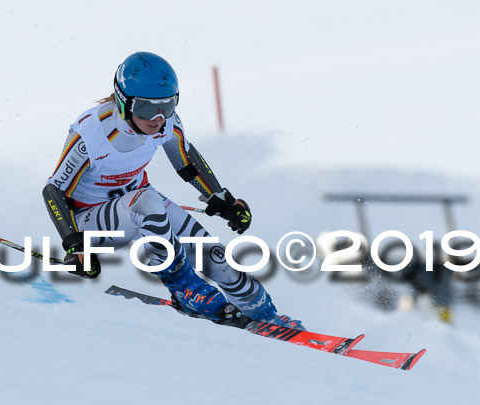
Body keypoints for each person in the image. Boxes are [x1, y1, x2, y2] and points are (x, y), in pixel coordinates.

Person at [42, 51, 303, 329]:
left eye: (166, 106)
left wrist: (223, 200)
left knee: (215, 257)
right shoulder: (92, 134)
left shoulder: (167, 124)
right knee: (146, 198)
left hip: (140, 205)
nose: (157, 118)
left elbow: (186, 162)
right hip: (91, 221)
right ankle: (184, 289)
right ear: (123, 102)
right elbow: (54, 191)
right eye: (145, 108)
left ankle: (267, 315)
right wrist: (76, 244)